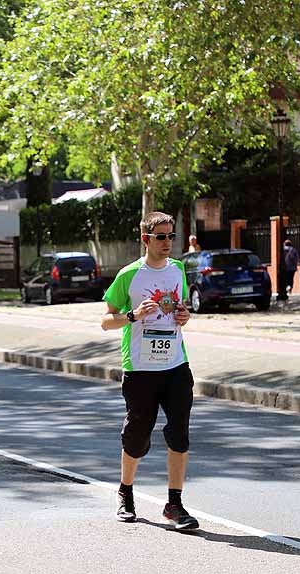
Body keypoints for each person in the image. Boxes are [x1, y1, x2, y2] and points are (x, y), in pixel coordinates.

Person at [100, 211, 198, 531]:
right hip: (140, 367)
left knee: (179, 432)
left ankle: (174, 504)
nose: (168, 242)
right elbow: (105, 320)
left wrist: (184, 316)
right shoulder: (129, 275)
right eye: (161, 237)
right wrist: (132, 315)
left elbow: (180, 310)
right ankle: (125, 493)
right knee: (137, 436)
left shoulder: (179, 269)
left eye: (171, 236)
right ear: (146, 240)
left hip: (175, 364)